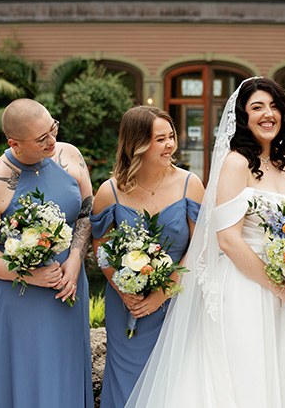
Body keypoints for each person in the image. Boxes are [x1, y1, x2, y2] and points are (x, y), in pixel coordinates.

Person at [127, 77, 285, 407]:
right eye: (257, 107)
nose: (268, 114)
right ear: (243, 117)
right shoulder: (236, 163)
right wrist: (283, 290)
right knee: (248, 382)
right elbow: (229, 240)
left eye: (274, 106)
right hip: (248, 290)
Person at [0, 98, 94, 407]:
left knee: (64, 368)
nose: (52, 141)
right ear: (15, 144)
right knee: (26, 374)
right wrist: (29, 275)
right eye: (41, 138)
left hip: (68, 285)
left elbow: (87, 212)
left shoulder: (70, 155)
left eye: (53, 129)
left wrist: (75, 260)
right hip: (19, 295)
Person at [90, 106, 204, 407]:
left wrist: (162, 294)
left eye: (171, 137)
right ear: (137, 144)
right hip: (127, 304)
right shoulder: (109, 191)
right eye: (160, 139)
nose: (170, 145)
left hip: (178, 300)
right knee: (126, 379)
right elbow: (100, 247)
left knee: (175, 381)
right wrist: (123, 289)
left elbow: (200, 249)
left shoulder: (189, 185)